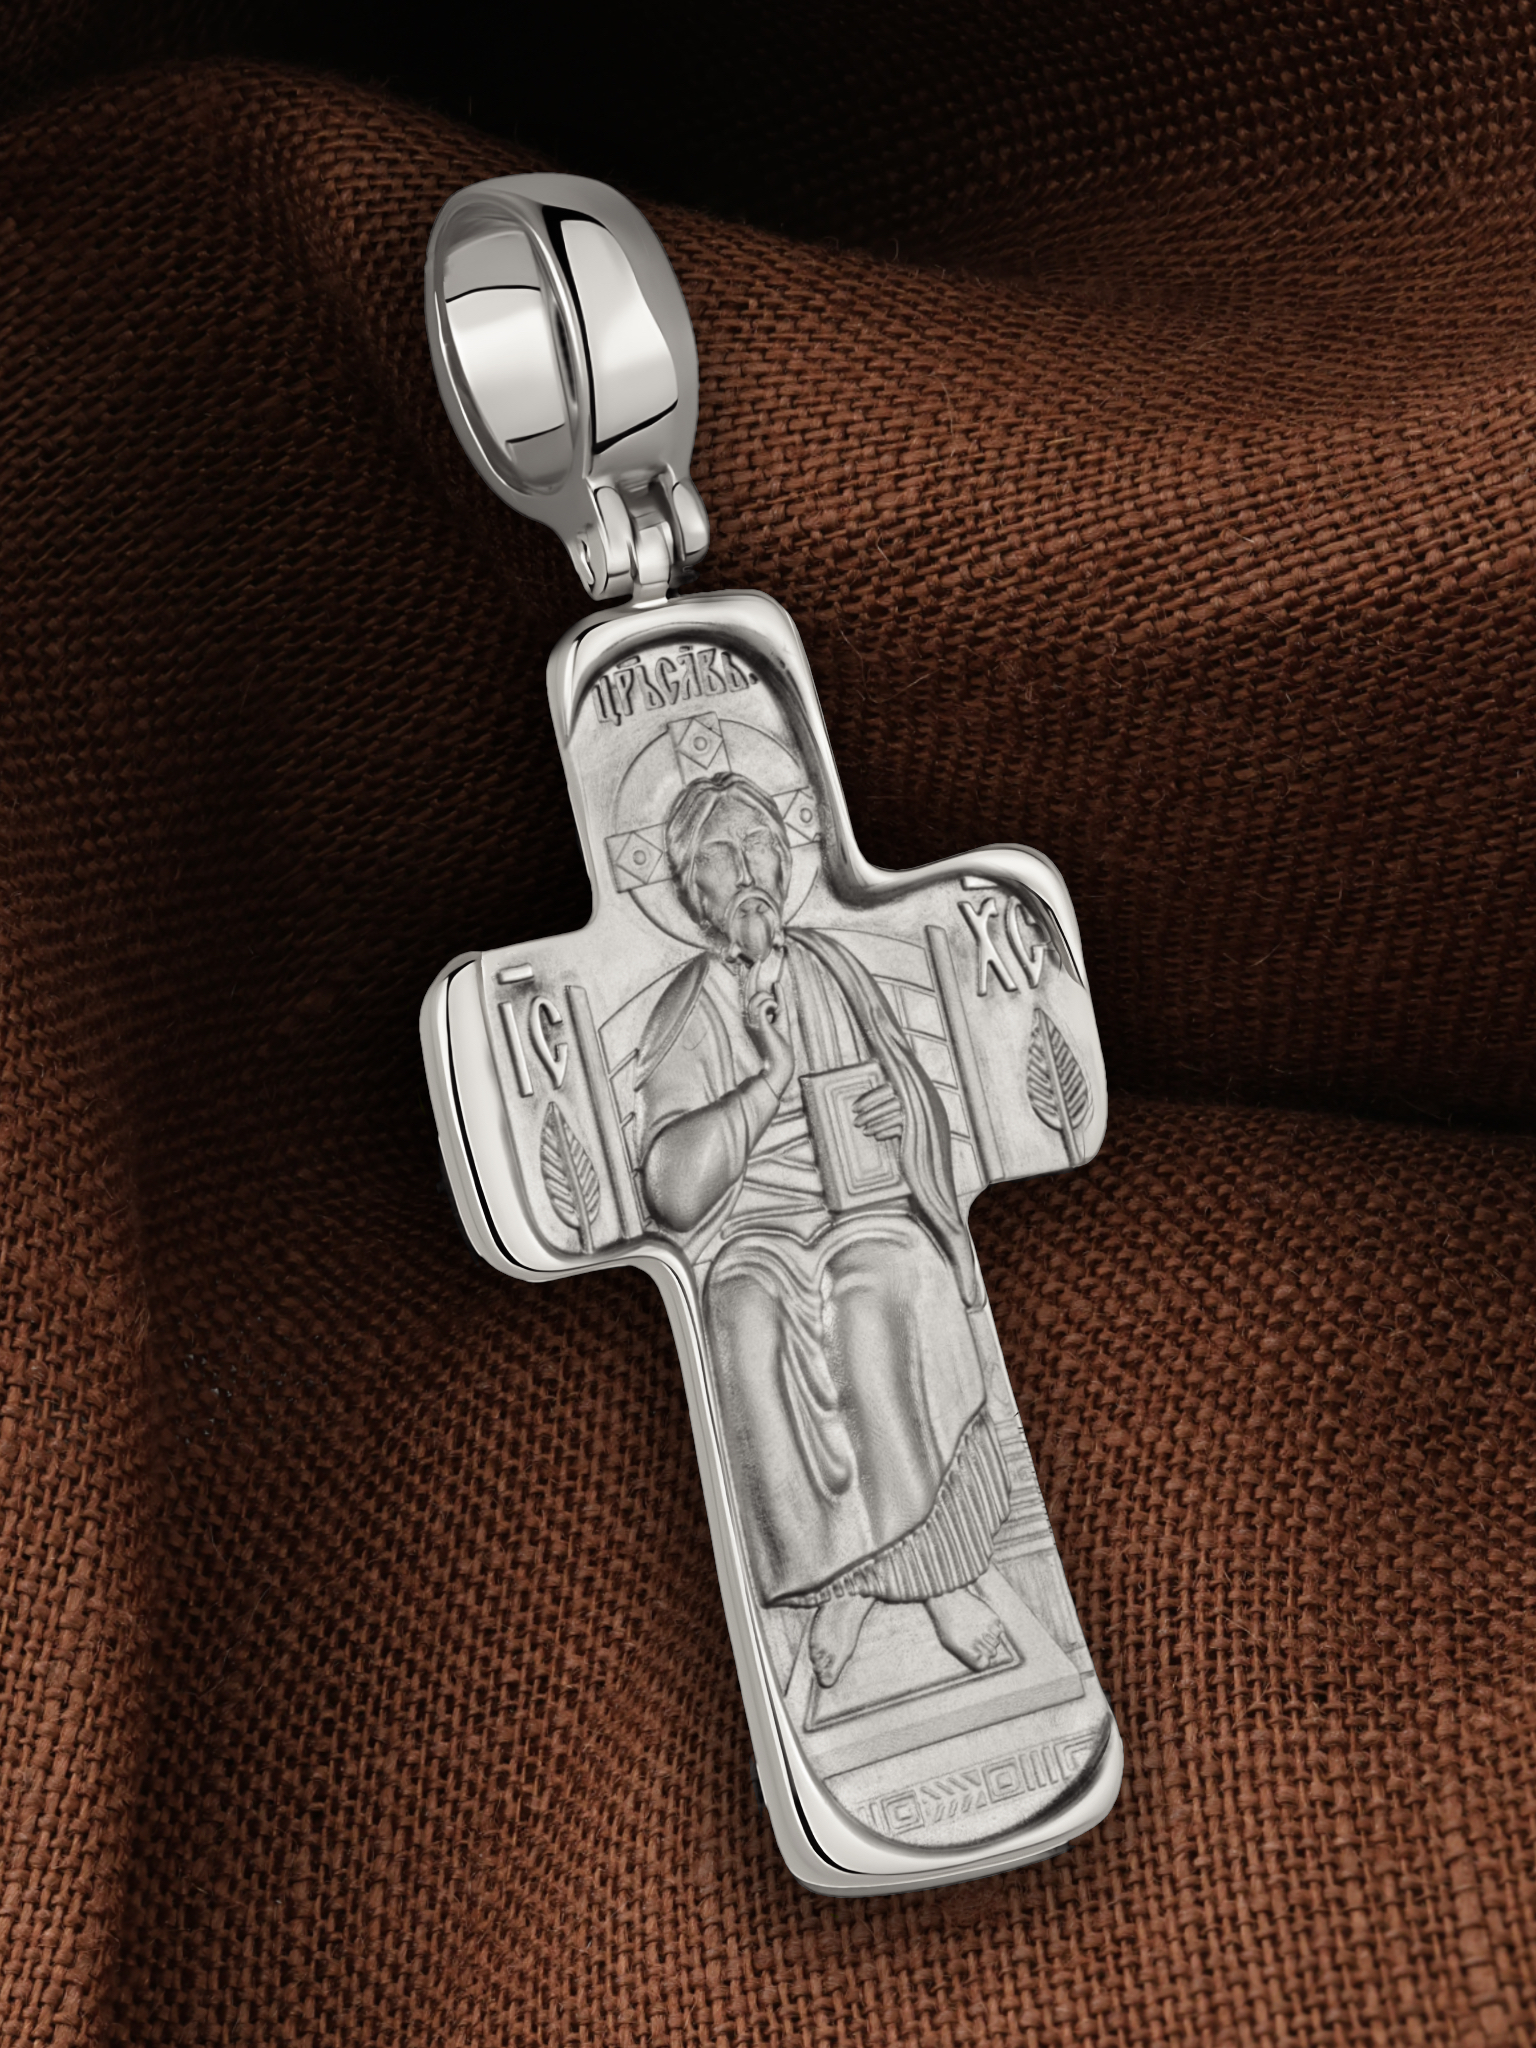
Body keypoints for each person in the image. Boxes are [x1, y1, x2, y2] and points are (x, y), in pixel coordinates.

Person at [635, 771, 1013, 1688]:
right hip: (755, 1232)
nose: (747, 866)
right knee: (747, 1315)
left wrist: (901, 1114)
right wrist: (766, 1080)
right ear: (692, 889)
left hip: (866, 1211)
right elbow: (673, 1191)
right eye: (721, 852)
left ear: (785, 860)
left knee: (886, 1289)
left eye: (760, 843)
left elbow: (913, 1092)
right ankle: (845, 1585)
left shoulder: (834, 967)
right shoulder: (688, 1005)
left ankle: (936, 1581)